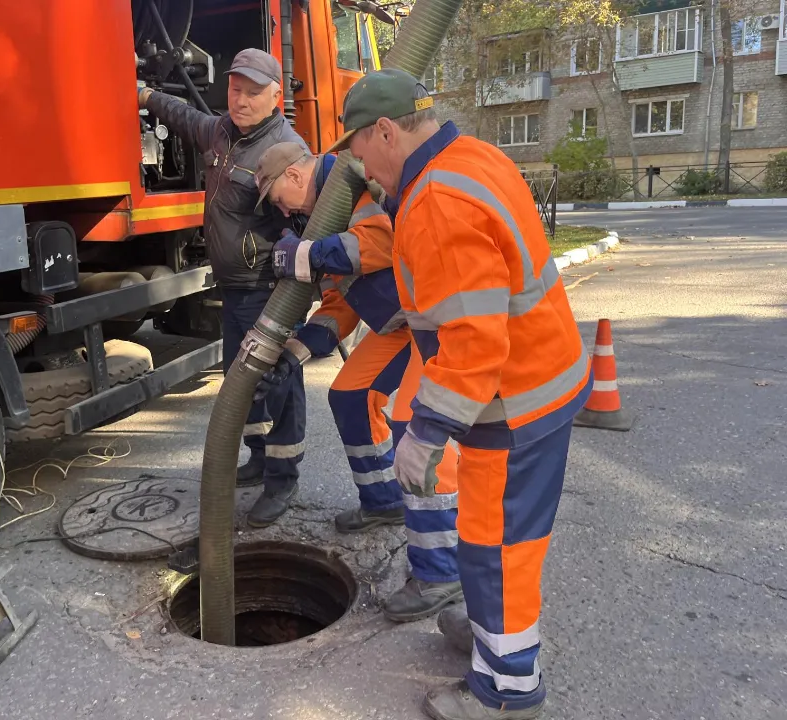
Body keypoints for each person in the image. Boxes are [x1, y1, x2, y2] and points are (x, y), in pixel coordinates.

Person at [327, 69, 593, 720]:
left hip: (515, 404)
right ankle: (487, 633)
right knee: (491, 537)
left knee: (496, 549)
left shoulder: (436, 202)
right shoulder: (471, 156)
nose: (362, 171)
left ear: (385, 132)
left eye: (359, 151)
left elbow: (472, 341)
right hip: (538, 383)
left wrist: (426, 431)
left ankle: (507, 689)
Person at [252, 142, 463, 620]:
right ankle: (383, 500)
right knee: (349, 395)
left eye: (278, 197)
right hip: (399, 322)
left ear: (295, 176)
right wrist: (292, 357)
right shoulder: (320, 218)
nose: (281, 210)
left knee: (416, 426)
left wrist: (307, 254)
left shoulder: (351, 187)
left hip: (432, 317)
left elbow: (382, 244)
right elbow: (339, 304)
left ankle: (442, 571)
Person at [139, 49, 308, 525]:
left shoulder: (286, 150)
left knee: (279, 386)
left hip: (267, 291)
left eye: (253, 92)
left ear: (275, 96)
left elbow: (307, 223)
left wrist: (294, 294)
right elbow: (184, 117)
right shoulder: (220, 132)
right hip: (232, 288)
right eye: (236, 89)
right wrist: (145, 96)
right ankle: (259, 457)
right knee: (241, 382)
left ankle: (283, 479)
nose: (241, 100)